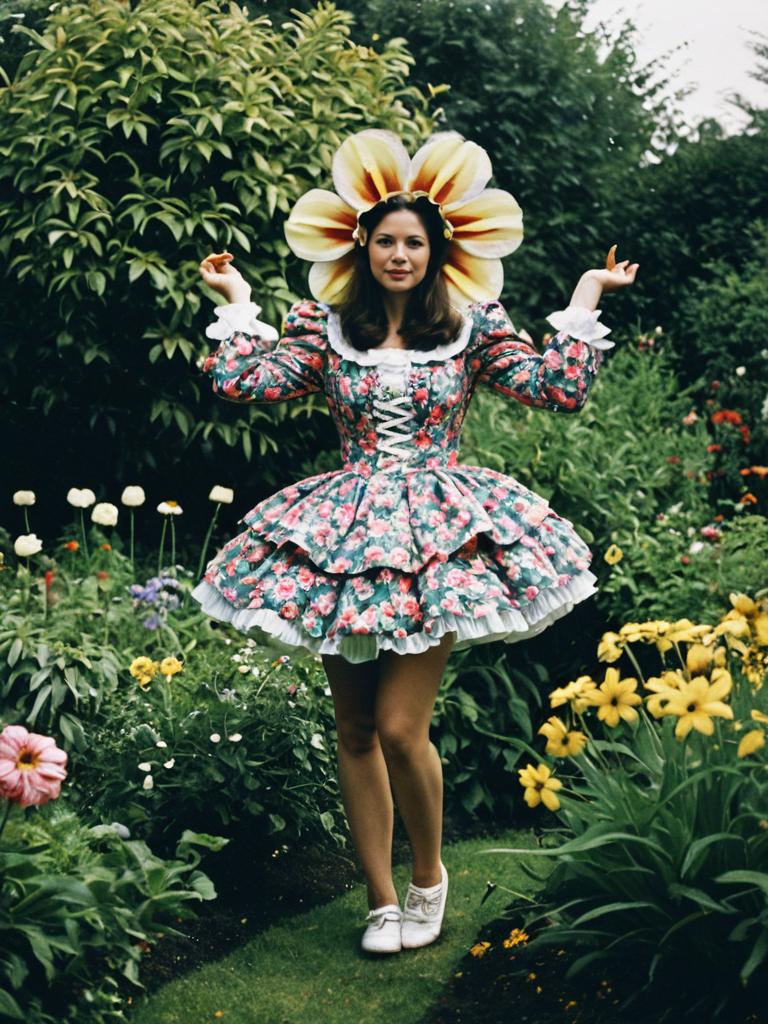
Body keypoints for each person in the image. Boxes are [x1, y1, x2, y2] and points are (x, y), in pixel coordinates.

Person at [192, 129, 638, 956]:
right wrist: (233, 300)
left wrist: (587, 294)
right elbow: (241, 382)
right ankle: (382, 900)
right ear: (362, 246)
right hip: (344, 537)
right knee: (354, 728)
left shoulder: (470, 326)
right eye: (387, 240)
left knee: (400, 726)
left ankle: (429, 873)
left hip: (434, 535)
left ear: (439, 253)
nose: (400, 254)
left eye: (415, 242)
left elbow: (558, 388)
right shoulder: (322, 327)